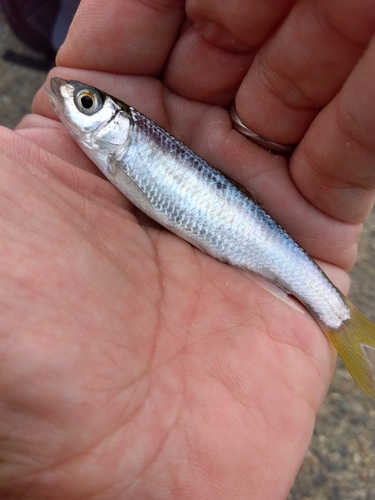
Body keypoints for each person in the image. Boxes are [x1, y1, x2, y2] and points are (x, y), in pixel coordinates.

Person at [1, 0, 375, 498]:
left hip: (253, 238)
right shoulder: (110, 147)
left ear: (117, 126)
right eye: (85, 103)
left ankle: (338, 317)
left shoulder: (124, 145)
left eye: (86, 104)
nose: (72, 105)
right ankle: (339, 318)